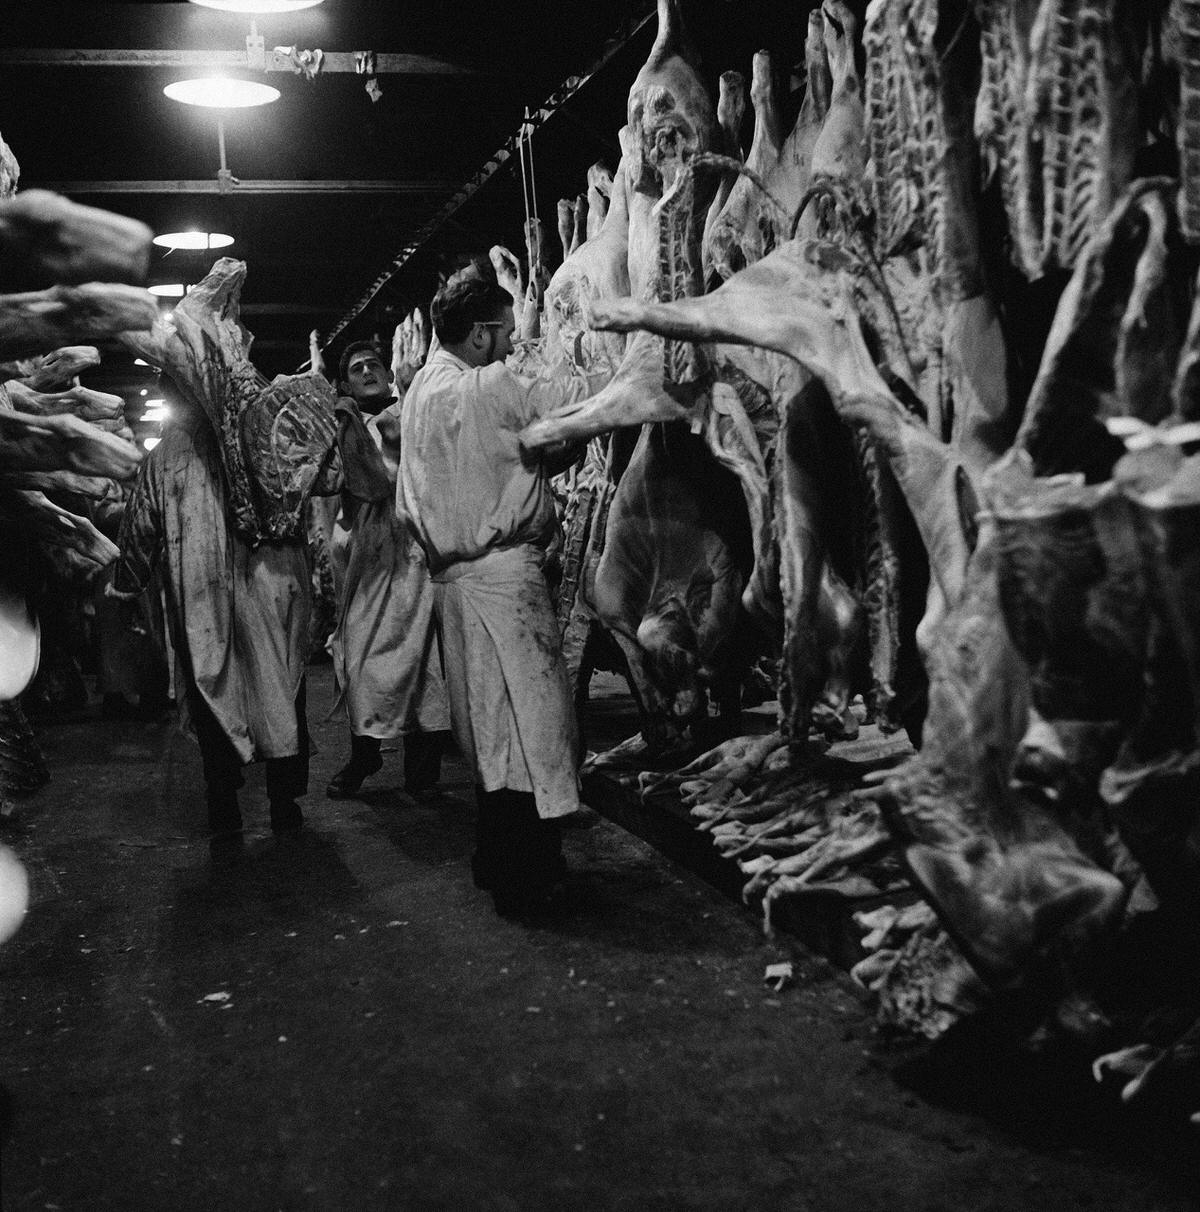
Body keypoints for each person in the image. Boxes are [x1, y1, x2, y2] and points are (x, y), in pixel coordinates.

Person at [398, 257, 601, 914]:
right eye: (509, 331)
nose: (516, 341)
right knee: (525, 730)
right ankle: (527, 881)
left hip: (455, 587)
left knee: (490, 732)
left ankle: (498, 863)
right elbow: (563, 431)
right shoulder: (490, 387)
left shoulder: (423, 391)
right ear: (481, 334)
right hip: (504, 583)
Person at [110, 400, 319, 837]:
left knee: (218, 691)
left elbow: (138, 531)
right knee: (277, 688)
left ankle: (228, 800)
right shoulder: (260, 432)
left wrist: (127, 583)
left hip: (208, 595)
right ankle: (279, 800)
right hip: (264, 590)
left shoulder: (166, 456)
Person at [326, 340, 450, 798]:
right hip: (370, 559)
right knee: (360, 663)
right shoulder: (340, 427)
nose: (366, 371)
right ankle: (364, 755)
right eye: (356, 368)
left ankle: (423, 771)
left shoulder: (414, 410)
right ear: (345, 384)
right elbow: (358, 485)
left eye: (372, 364)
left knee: (426, 667)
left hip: (417, 551)